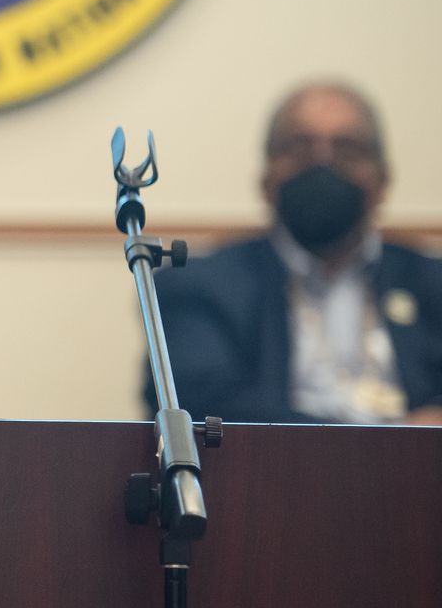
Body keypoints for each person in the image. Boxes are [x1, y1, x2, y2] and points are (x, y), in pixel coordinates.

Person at [152, 82, 442, 425]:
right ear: (266, 177)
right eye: (300, 148)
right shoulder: (201, 285)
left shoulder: (431, 283)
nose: (323, 164)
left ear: (383, 179)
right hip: (266, 474)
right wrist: (391, 441)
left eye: (346, 149)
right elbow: (198, 406)